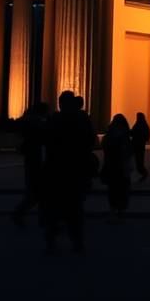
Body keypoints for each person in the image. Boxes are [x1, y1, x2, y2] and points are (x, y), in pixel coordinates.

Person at [41, 90, 96, 253]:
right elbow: (90, 140)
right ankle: (76, 241)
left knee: (55, 209)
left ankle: (52, 241)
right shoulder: (81, 119)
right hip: (74, 170)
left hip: (57, 170)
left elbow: (46, 140)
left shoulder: (54, 119)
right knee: (74, 209)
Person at [11, 101, 48, 225]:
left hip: (33, 159)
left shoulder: (29, 121)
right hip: (38, 159)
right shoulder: (39, 123)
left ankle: (24, 214)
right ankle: (39, 217)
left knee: (37, 192)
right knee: (39, 192)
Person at [101, 114, 133, 222]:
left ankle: (113, 211)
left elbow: (105, 147)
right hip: (121, 166)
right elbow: (128, 152)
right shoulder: (125, 135)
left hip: (111, 166)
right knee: (122, 189)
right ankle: (121, 211)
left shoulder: (109, 135)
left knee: (112, 190)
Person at [130, 112, 150, 180]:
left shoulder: (138, 124)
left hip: (137, 144)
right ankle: (142, 172)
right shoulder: (144, 125)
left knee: (138, 160)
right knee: (139, 160)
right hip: (140, 145)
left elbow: (133, 133)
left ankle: (143, 172)